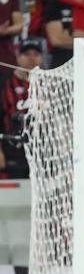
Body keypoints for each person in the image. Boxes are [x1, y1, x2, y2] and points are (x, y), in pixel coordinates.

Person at [0, 40, 42, 180]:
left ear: (41, 58)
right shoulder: (5, 82)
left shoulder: (48, 84)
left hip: (41, 149)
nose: (31, 58)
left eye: (36, 54)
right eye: (27, 54)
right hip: (12, 147)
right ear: (18, 57)